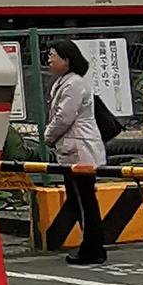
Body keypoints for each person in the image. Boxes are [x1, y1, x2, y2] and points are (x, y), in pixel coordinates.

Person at [42, 37, 109, 264]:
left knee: (83, 199)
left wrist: (47, 137)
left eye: (53, 56)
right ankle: (93, 246)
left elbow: (64, 117)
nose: (49, 60)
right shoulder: (67, 82)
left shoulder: (74, 84)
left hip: (80, 150)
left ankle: (92, 248)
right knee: (81, 198)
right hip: (74, 149)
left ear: (67, 61)